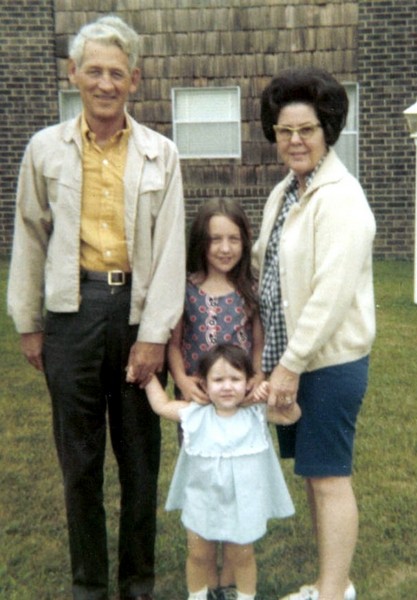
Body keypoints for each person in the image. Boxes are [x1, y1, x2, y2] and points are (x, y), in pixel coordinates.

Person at [7, 15, 185, 600]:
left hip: (134, 314)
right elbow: (30, 237)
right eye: (94, 71)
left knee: (139, 463)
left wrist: (155, 334)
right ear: (73, 74)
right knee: (79, 464)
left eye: (117, 73)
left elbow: (171, 250)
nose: (105, 83)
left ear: (135, 79)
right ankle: (89, 585)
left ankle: (137, 583)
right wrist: (29, 323)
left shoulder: (160, 154)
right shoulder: (45, 150)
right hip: (70, 316)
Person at [253, 67, 376, 600]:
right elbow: (266, 268)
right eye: (285, 131)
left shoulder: (341, 197)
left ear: (327, 130)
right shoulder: (286, 191)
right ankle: (331, 583)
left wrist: (288, 366)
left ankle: (332, 593)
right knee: (313, 475)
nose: (295, 140)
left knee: (329, 479)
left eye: (306, 129)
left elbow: (330, 295)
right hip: (294, 362)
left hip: (326, 364)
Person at [131, 343, 301, 600]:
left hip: (243, 503)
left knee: (242, 556)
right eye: (218, 380)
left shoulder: (256, 413)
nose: (227, 386)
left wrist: (272, 395)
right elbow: (162, 405)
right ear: (204, 384)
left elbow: (291, 416)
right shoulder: (195, 414)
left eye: (235, 379)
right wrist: (147, 377)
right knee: (198, 554)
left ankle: (245, 597)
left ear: (248, 383)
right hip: (202, 500)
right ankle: (197, 596)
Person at [166, 197, 264, 598]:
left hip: (239, 408)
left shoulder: (249, 288)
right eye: (215, 239)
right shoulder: (186, 289)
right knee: (205, 485)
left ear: (245, 241)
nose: (225, 248)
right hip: (201, 407)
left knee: (237, 487)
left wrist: (257, 377)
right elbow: (174, 344)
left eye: (233, 239)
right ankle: (204, 567)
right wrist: (181, 379)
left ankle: (230, 576)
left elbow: (257, 343)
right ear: (200, 243)